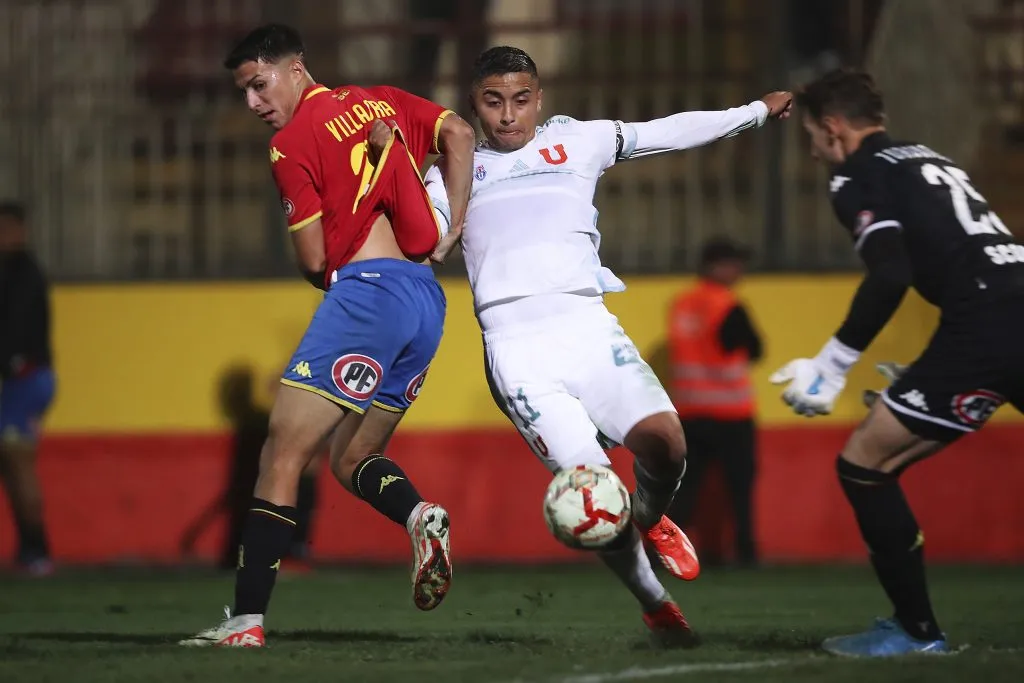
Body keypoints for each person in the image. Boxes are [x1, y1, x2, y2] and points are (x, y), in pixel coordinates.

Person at [408, 46, 790, 646]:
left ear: (540, 98)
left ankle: (651, 514)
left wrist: (754, 113)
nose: (509, 115)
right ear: (474, 103)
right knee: (590, 493)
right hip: (516, 348)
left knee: (667, 444)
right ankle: (657, 605)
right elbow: (422, 235)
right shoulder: (451, 170)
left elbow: (666, 132)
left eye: (521, 100)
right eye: (493, 101)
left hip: (587, 325)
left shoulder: (579, 141)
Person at [180, 24, 476, 648]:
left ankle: (246, 622)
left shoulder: (293, 142)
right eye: (244, 92)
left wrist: (328, 262)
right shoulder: (383, 101)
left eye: (259, 85)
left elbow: (314, 260)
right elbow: (460, 133)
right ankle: (420, 515)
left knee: (281, 455)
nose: (254, 104)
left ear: (294, 70)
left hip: (366, 296)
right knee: (351, 458)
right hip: (426, 303)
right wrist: (450, 226)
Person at [771, 68, 1024, 657]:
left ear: (833, 129)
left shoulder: (855, 173)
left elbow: (892, 273)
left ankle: (916, 633)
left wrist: (832, 365)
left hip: (984, 326)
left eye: (811, 136)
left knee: (865, 464)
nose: (812, 152)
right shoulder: (927, 159)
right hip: (1006, 305)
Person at [667, 238, 763, 568]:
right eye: (733, 263)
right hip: (731, 413)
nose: (739, 270)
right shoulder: (728, 305)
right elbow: (756, 349)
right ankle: (746, 554)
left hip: (691, 412)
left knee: (684, 489)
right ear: (715, 266)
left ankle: (664, 553)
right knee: (739, 490)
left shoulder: (681, 304)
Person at [0, 202, 57, 576]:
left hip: (25, 379)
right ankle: (29, 548)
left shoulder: (25, 274)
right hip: (18, 379)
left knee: (19, 462)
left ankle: (37, 549)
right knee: (13, 464)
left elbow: (16, 333)